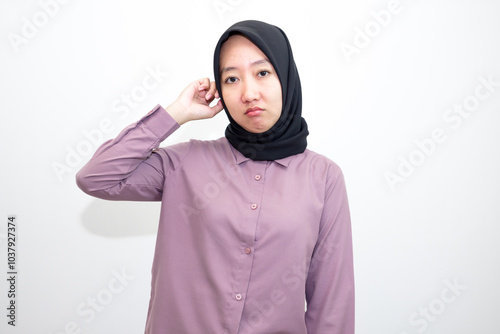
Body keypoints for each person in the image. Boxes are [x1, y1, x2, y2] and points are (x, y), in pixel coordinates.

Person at [76, 20, 354, 334]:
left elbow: (331, 303)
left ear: (286, 78)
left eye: (262, 73)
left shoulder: (324, 178)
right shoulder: (185, 162)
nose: (249, 93)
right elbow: (96, 177)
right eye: (232, 79)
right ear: (220, 91)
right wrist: (175, 113)